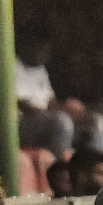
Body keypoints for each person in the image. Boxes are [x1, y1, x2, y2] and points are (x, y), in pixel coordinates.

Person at [15, 30, 76, 161]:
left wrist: (69, 108)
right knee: (61, 122)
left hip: (42, 120)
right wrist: (51, 114)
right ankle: (60, 170)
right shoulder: (12, 66)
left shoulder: (40, 69)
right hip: (19, 124)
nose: (45, 55)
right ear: (29, 47)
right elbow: (21, 103)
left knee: (89, 122)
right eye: (43, 50)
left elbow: (50, 100)